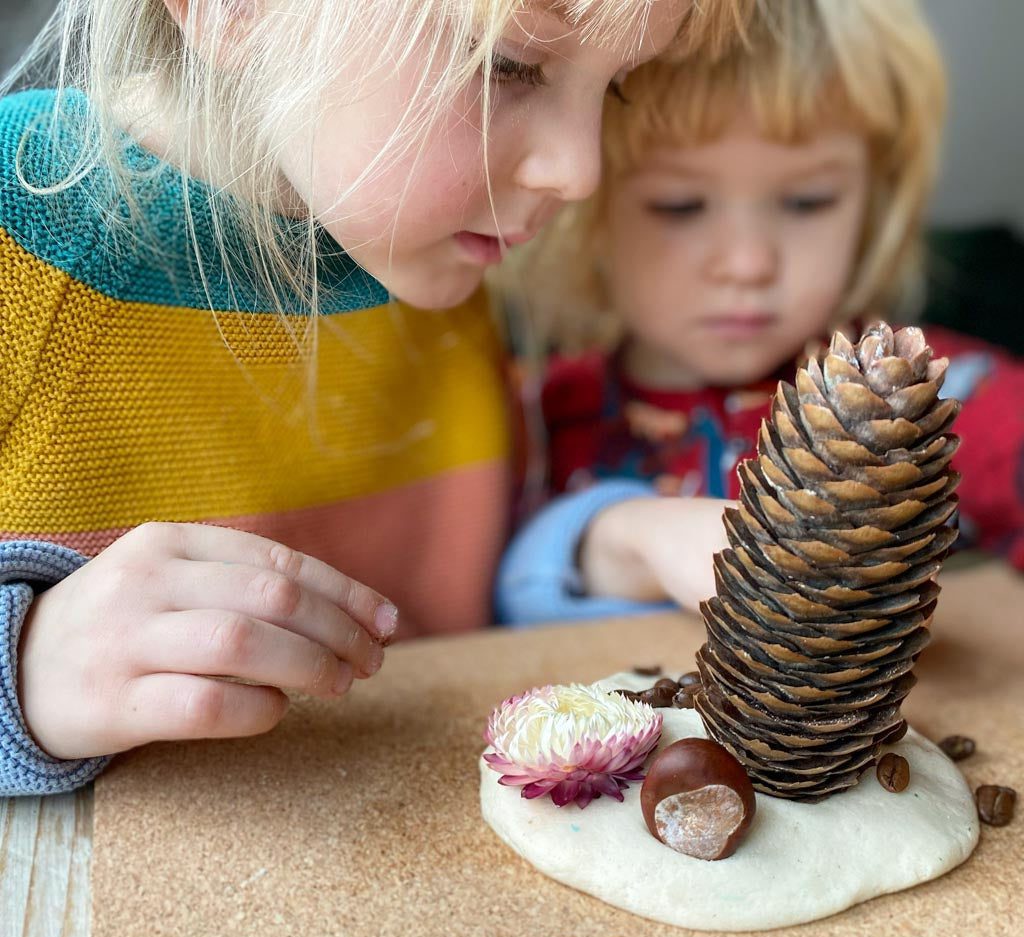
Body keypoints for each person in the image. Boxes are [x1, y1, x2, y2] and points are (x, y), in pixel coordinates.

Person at [0, 0, 753, 796]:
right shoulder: (20, 238)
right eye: (509, 65)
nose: (582, 169)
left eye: (618, 86)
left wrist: (618, 541)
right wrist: (25, 669)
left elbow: (461, 599)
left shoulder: (439, 265)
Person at [496, 0, 1024, 626]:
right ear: (583, 213)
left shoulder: (941, 398)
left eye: (807, 201)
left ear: (872, 204)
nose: (748, 263)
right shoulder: (531, 418)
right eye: (680, 205)